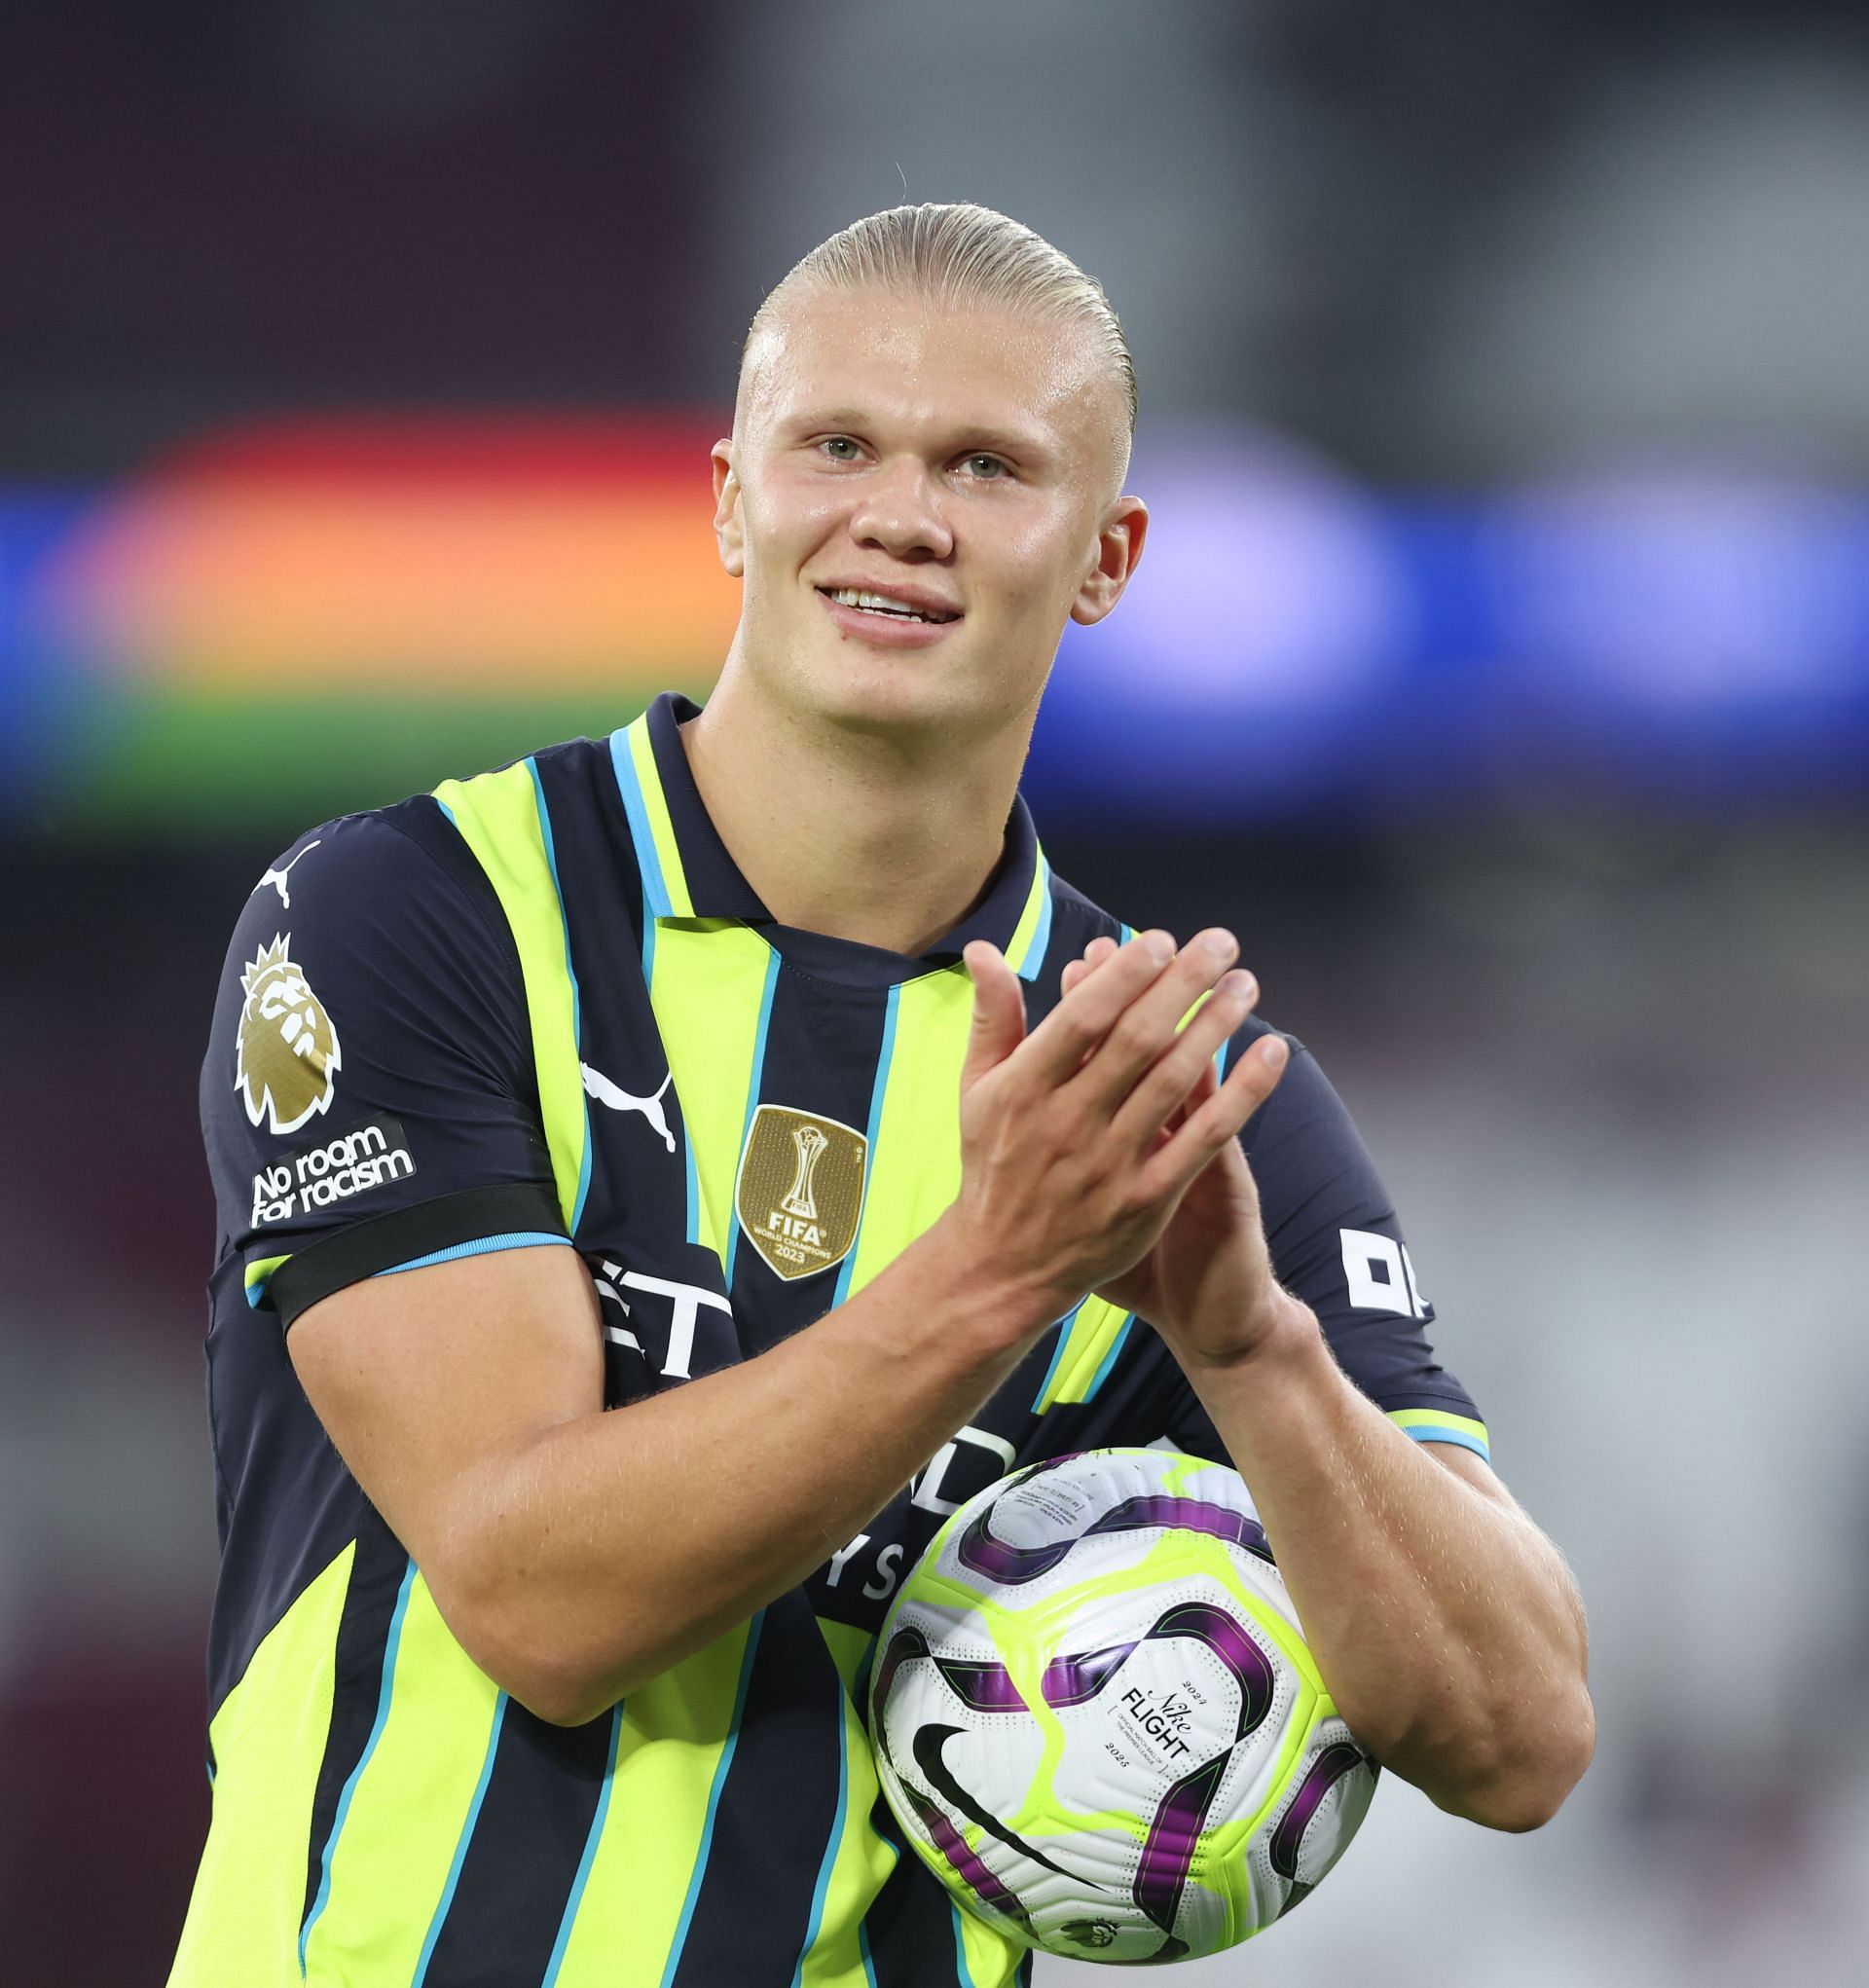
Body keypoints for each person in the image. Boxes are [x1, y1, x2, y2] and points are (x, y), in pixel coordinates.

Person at [169, 202, 1593, 1988]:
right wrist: (1005, 1272)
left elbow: (1520, 1732)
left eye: (989, 465)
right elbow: (538, 1595)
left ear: (1106, 555)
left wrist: (1251, 1354)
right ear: (728, 495)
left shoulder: (1152, 1082)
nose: (900, 515)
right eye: (837, 443)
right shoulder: (423, 918)